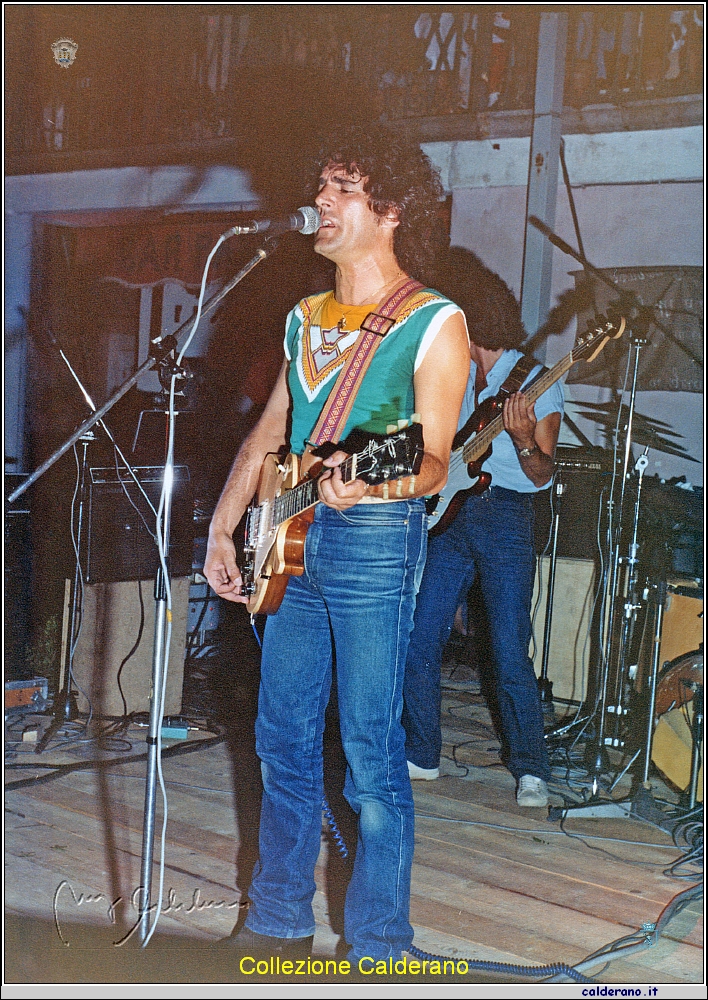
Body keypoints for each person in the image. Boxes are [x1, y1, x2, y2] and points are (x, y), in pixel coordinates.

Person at [204, 127, 469, 963]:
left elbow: (431, 459)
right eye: (321, 184)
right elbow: (268, 435)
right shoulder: (304, 317)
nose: (320, 201)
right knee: (279, 737)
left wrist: (372, 480)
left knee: (369, 753)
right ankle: (277, 919)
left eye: (341, 188)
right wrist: (221, 525)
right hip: (288, 542)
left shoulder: (434, 321)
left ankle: (380, 946)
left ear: (388, 210)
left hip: (372, 546)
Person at [402, 249, 563, 808]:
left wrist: (521, 440)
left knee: (507, 646)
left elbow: (542, 475)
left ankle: (531, 769)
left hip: (506, 515)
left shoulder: (536, 381)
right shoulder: (454, 376)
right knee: (418, 635)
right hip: (450, 516)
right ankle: (420, 753)